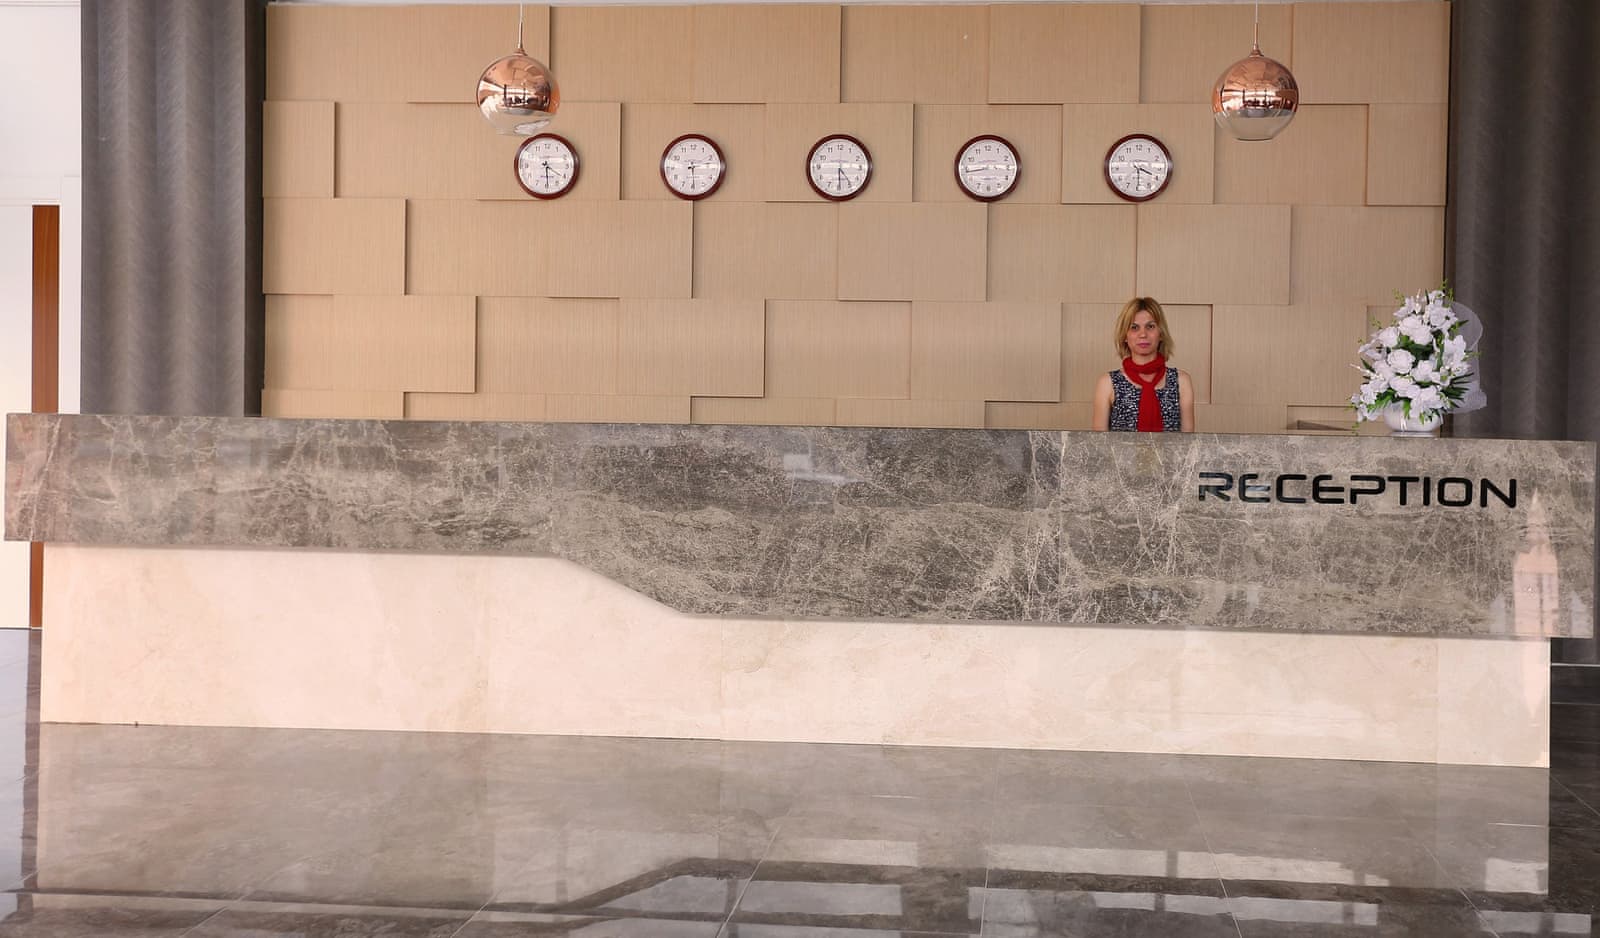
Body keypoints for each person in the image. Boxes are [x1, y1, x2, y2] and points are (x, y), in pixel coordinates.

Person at [1092, 297, 1195, 432]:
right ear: (1125, 336)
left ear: (1161, 333)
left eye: (1150, 326)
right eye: (1134, 327)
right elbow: (1099, 442)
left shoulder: (1181, 381)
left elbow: (1188, 442)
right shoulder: (1107, 382)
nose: (1143, 334)